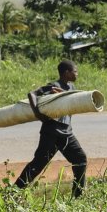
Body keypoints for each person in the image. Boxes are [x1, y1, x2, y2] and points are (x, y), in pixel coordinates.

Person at [15, 60, 88, 197]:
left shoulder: (71, 86)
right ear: (66, 73)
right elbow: (32, 94)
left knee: (80, 160)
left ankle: (78, 196)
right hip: (51, 133)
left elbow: (77, 98)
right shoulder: (54, 86)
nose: (77, 74)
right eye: (75, 71)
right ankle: (13, 193)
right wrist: (38, 114)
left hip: (66, 133)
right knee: (37, 165)